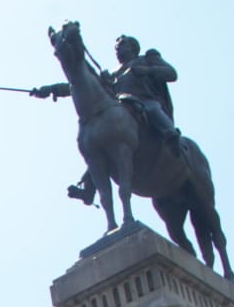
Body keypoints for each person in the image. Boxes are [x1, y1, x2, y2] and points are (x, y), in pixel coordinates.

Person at [34, 33, 181, 204]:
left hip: (143, 102)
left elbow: (171, 73)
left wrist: (147, 70)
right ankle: (88, 187)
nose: (118, 49)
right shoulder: (112, 74)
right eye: (116, 47)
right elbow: (83, 84)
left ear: (134, 47)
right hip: (123, 108)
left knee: (152, 108)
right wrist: (52, 89)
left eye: (123, 45)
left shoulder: (146, 59)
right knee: (101, 140)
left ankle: (170, 134)